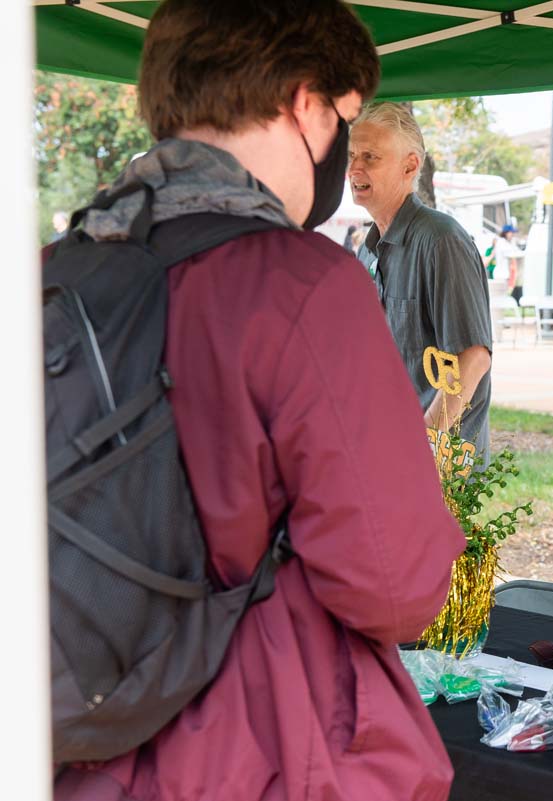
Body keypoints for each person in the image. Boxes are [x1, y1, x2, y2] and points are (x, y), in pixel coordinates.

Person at [52, 2, 465, 799]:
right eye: (347, 118)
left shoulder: (47, 272)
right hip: (259, 747)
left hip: (72, 741)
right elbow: (397, 583)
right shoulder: (303, 283)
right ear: (307, 104)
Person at [349, 101, 493, 469]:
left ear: (410, 166)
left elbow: (473, 357)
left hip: (437, 467)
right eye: (351, 156)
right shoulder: (368, 252)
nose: (354, 169)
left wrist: (424, 442)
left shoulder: (441, 239)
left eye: (370, 156)